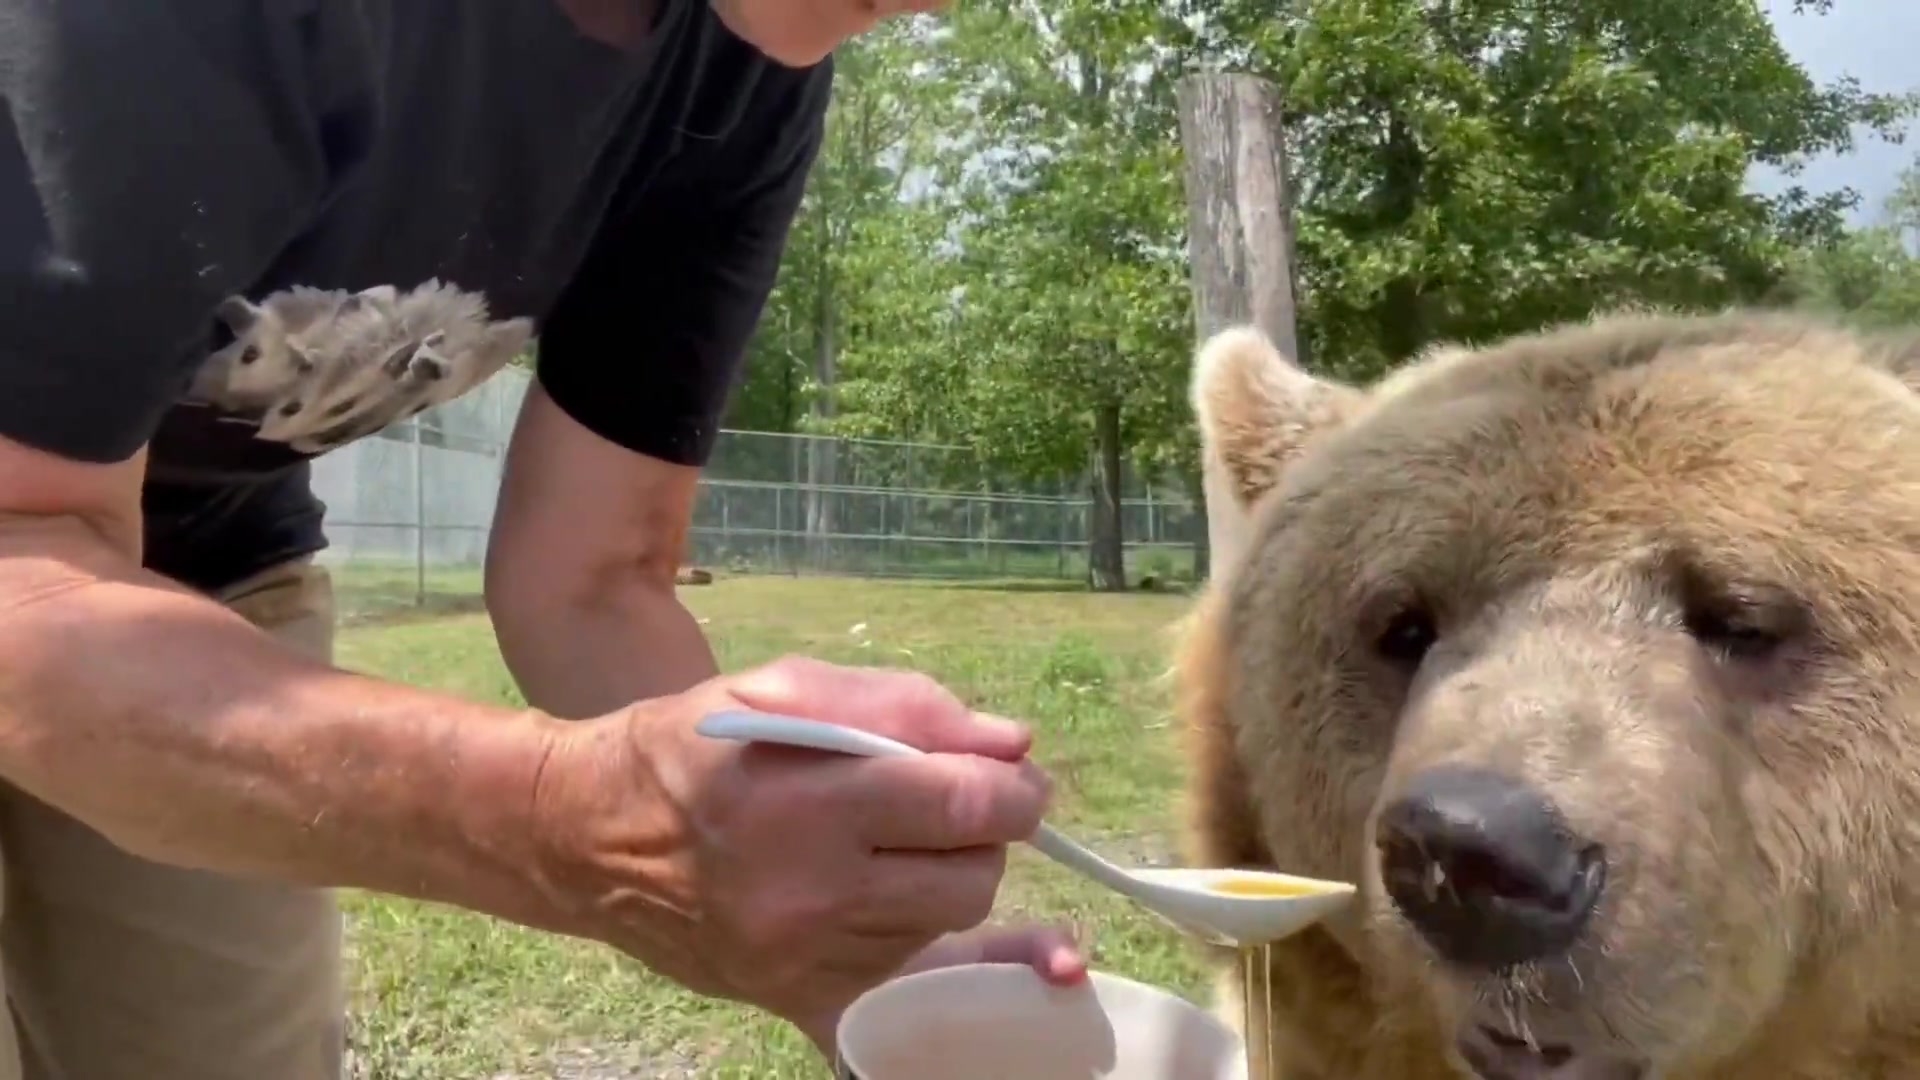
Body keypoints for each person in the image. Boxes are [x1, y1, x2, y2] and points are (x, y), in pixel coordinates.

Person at [0, 1, 1085, 1077]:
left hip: (208, 573)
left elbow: (593, 576)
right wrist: (564, 820)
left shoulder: (746, 63)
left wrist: (867, 967)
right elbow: (22, 562)